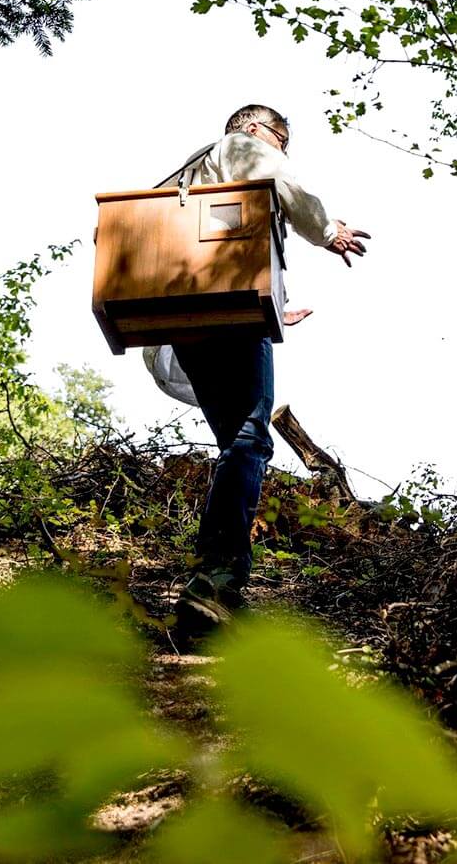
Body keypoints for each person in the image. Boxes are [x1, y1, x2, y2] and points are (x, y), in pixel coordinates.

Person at [144, 104, 370, 633]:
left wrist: (274, 305)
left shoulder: (188, 177)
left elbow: (223, 242)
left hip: (189, 315)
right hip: (229, 315)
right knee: (250, 441)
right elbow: (286, 189)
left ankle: (211, 582)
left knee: (238, 444)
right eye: (279, 138)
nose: (281, 150)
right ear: (252, 130)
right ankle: (216, 581)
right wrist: (328, 230)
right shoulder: (238, 148)